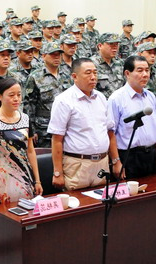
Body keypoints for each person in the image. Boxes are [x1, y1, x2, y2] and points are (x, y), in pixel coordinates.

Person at [47, 58, 120, 191]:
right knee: (77, 201)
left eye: (95, 73)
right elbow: (57, 139)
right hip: (77, 164)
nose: (93, 77)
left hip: (102, 162)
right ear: (74, 76)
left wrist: (116, 161)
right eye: (88, 73)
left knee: (103, 200)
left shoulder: (101, 98)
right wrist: (57, 172)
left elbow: (110, 132)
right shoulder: (63, 100)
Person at [0, 78, 43, 208]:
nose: (16, 99)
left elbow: (30, 151)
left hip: (26, 177)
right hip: (4, 178)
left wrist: (37, 181)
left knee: (28, 213)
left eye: (19, 95)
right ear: (0, 96)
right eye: (11, 95)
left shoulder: (25, 118)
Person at [107, 55, 156, 178]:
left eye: (147, 70)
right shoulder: (116, 99)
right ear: (127, 73)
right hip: (129, 156)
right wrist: (116, 161)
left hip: (151, 154)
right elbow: (111, 132)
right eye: (140, 70)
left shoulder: (151, 96)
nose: (145, 74)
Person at [23, 41, 72, 148]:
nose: (56, 57)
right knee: (46, 156)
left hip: (65, 125)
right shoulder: (35, 77)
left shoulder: (67, 75)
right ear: (44, 56)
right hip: (44, 128)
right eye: (53, 54)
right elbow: (29, 105)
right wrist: (32, 130)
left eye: (58, 54)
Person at [92, 33, 124, 98]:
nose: (115, 47)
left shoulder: (120, 63)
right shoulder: (91, 63)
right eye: (111, 44)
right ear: (100, 46)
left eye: (117, 44)